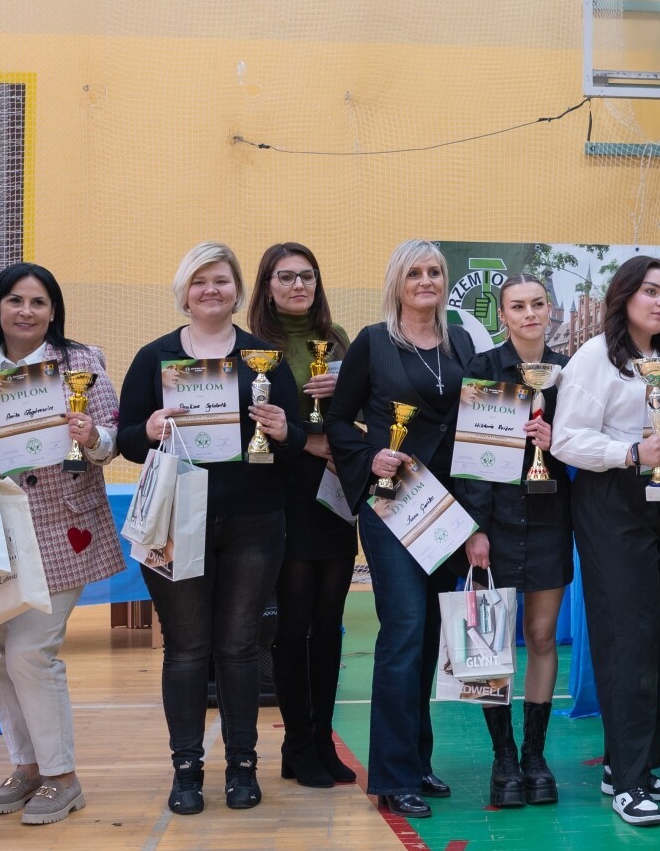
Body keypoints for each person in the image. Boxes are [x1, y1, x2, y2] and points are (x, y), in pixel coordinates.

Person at [117, 242, 302, 815]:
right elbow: (125, 441)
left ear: (238, 290)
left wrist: (282, 430)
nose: (211, 290)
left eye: (221, 280)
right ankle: (187, 769)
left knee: (240, 647)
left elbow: (296, 443)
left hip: (253, 520)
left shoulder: (265, 358)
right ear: (184, 292)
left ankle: (243, 765)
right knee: (187, 648)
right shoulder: (155, 357)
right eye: (200, 281)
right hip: (176, 520)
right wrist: (148, 429)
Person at [550, 255, 660, 827]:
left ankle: (629, 764)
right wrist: (629, 452)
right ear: (624, 296)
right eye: (650, 291)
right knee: (627, 636)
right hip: (613, 501)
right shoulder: (596, 357)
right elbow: (566, 440)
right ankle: (629, 782)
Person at [0, 262, 124, 825]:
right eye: (15, 300)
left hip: (61, 525)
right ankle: (26, 766)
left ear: (53, 310)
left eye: (38, 302)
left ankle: (62, 776)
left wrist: (93, 435)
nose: (26, 311)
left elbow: (113, 441)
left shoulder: (81, 362)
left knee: (31, 652)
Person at [326, 239, 476, 819]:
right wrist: (371, 455)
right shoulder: (373, 342)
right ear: (397, 282)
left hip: (448, 508)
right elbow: (338, 420)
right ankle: (391, 776)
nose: (426, 281)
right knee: (404, 628)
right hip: (393, 504)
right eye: (414, 272)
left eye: (435, 271)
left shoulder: (461, 341)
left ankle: (416, 760)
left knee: (428, 637)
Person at [454, 273, 574, 808]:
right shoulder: (483, 369)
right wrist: (474, 528)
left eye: (537, 304)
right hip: (495, 523)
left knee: (542, 636)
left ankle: (534, 755)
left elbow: (587, 451)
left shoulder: (569, 373)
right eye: (518, 306)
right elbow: (470, 458)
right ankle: (502, 757)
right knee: (491, 642)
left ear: (550, 310)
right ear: (502, 316)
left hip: (550, 520)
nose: (529, 314)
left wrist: (557, 442)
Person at [245, 243, 354, 791]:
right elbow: (248, 419)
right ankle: (295, 743)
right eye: (285, 277)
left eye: (307, 276)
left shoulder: (338, 341)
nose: (297, 286)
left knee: (329, 626)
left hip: (335, 492)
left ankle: (322, 739)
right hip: (284, 489)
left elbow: (363, 408)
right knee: (292, 626)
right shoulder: (251, 346)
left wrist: (346, 399)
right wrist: (309, 443)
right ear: (267, 285)